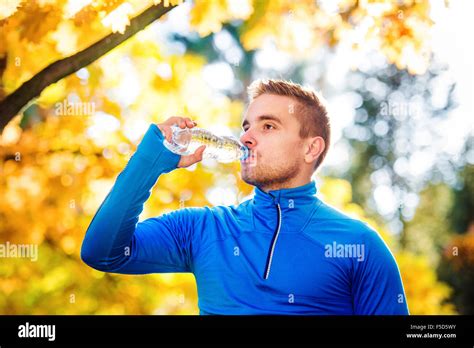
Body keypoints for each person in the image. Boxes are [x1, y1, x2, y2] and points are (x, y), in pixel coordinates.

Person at [81, 79, 409, 315]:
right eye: (246, 126)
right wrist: (152, 158)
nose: (247, 137)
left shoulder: (360, 246)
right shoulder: (202, 229)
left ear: (311, 148)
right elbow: (103, 254)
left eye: (268, 127)